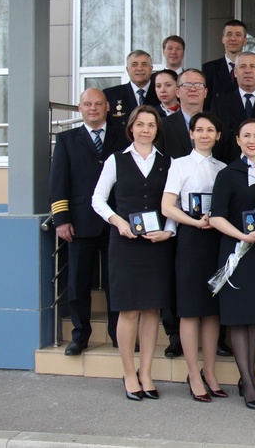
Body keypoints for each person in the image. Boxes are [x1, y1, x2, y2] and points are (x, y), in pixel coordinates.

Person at [91, 105, 174, 401]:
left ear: (157, 129)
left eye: (151, 125)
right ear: (131, 128)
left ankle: (146, 372)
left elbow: (174, 204)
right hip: (125, 244)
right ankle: (128, 373)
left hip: (156, 245)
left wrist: (169, 230)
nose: (145, 130)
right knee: (128, 310)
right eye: (140, 124)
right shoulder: (116, 160)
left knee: (152, 310)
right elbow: (98, 199)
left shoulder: (168, 162)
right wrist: (118, 221)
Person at [209, 118, 255, 409]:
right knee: (239, 318)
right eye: (246, 135)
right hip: (237, 252)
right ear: (237, 140)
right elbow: (216, 217)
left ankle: (250, 378)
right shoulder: (227, 174)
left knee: (253, 317)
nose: (252, 140)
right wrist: (243, 236)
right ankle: (248, 383)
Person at [50, 88, 125, 356]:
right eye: (87, 104)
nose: (93, 108)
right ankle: (80, 335)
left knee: (115, 280)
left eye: (98, 104)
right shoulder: (67, 139)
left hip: (116, 219)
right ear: (80, 108)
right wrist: (61, 219)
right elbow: (58, 182)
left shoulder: (122, 136)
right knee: (78, 281)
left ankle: (118, 334)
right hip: (80, 222)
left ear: (107, 107)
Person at [160, 112, 227, 403]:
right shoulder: (179, 165)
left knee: (212, 310)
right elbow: (167, 206)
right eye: (199, 130)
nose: (204, 135)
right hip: (191, 239)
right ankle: (193, 374)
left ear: (218, 136)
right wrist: (194, 222)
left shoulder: (223, 168)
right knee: (189, 310)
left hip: (217, 240)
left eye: (210, 130)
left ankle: (209, 372)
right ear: (191, 134)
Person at [202, 20, 255, 110]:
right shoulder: (209, 69)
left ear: (245, 40)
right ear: (223, 39)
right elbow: (206, 104)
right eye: (229, 34)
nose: (233, 39)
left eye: (238, 35)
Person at [104, 50, 159, 132]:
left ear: (151, 68)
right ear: (127, 69)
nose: (139, 68)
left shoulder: (161, 94)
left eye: (144, 64)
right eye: (134, 64)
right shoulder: (110, 95)